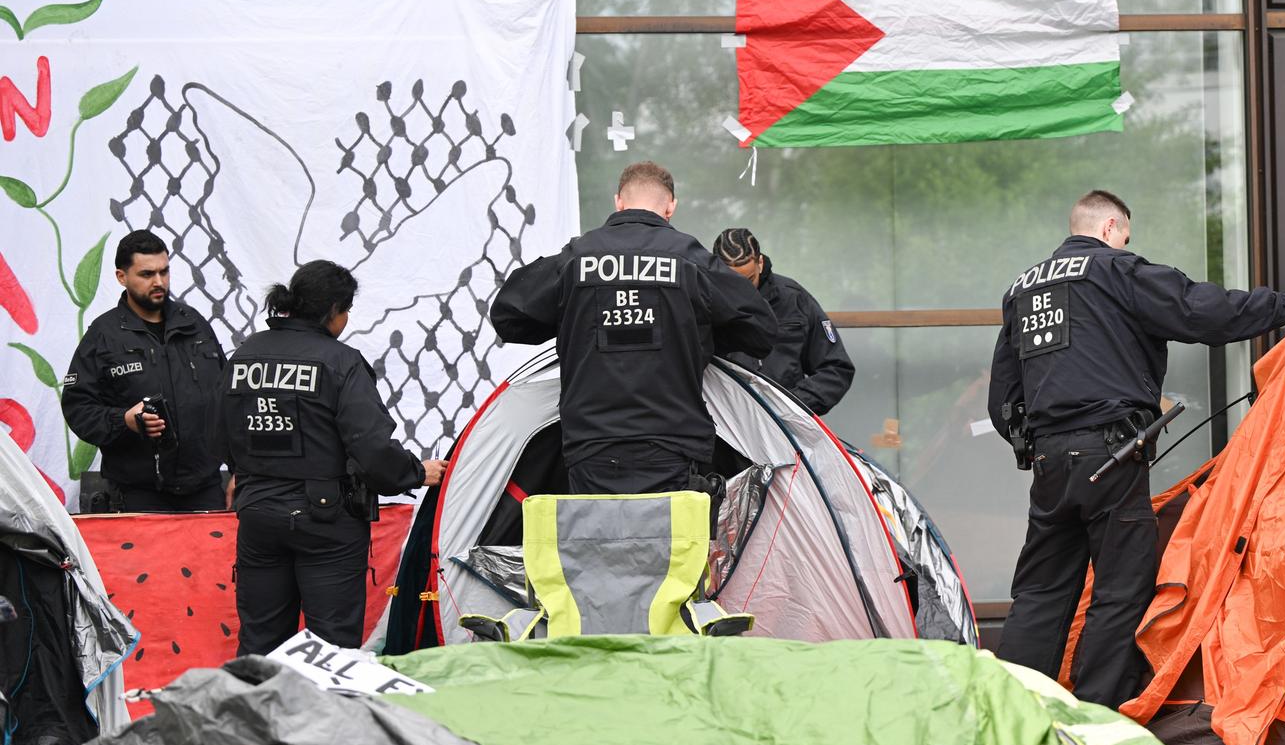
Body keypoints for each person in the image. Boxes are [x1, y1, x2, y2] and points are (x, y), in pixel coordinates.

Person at [987, 189, 1285, 707]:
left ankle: (1008, 711)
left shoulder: (1023, 290)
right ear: (1108, 229)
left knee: (1040, 593)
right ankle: (1098, 717)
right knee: (1121, 591)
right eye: (1125, 236)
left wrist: (1032, 448)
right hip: (1112, 457)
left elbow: (1004, 394)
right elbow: (1202, 311)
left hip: (1051, 465)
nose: (1127, 245)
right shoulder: (1117, 271)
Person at [492, 161, 775, 494]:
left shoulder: (575, 259)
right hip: (674, 444)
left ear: (619, 202)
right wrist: (698, 335)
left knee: (597, 542)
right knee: (674, 545)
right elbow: (762, 329)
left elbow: (508, 317)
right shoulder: (691, 261)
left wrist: (572, 321)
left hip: (591, 444)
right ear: (671, 206)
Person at [224, 260, 446, 654]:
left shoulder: (243, 357)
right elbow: (373, 450)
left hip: (257, 514)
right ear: (333, 312)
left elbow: (217, 433)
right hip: (326, 523)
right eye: (346, 311)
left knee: (259, 643)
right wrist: (416, 472)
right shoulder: (340, 362)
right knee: (332, 648)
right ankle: (326, 717)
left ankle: (252, 715)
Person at [62, 230, 229, 512]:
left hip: (206, 489)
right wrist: (123, 420)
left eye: (164, 272)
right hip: (139, 495)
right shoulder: (104, 335)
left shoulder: (195, 325)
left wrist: (239, 472)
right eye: (147, 274)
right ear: (121, 277)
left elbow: (229, 400)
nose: (159, 282)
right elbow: (78, 407)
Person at [712, 227, 856, 415]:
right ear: (715, 269)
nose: (742, 289)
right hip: (723, 430)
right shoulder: (701, 301)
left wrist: (790, 406)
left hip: (784, 431)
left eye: (749, 280)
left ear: (760, 263)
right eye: (732, 281)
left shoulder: (793, 299)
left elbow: (836, 369)